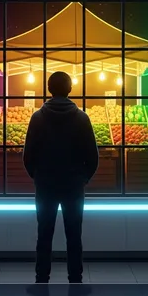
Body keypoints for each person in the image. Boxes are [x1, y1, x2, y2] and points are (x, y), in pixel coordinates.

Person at [23, 71, 99, 283]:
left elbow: (28, 155)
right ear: (70, 89)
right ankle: (75, 277)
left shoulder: (37, 118)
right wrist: (82, 178)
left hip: (45, 183)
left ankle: (41, 277)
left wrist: (37, 176)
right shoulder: (82, 118)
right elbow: (93, 156)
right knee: (74, 235)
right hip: (74, 185)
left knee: (44, 234)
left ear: (49, 89)